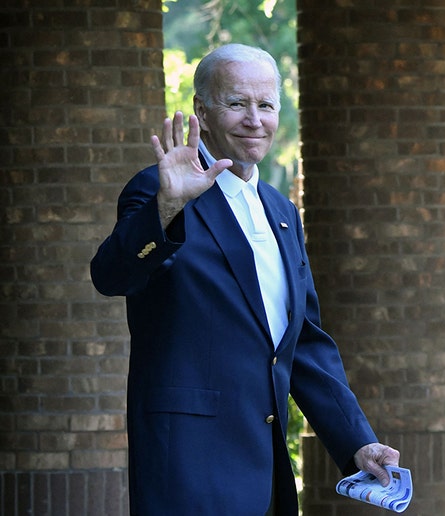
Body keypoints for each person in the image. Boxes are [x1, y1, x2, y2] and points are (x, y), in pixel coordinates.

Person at [91, 44, 399, 515]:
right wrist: (168, 208)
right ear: (203, 112)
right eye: (237, 103)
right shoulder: (158, 190)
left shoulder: (282, 212)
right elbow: (111, 276)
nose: (255, 119)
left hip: (267, 464)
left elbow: (303, 345)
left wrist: (358, 443)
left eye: (266, 105)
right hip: (188, 465)